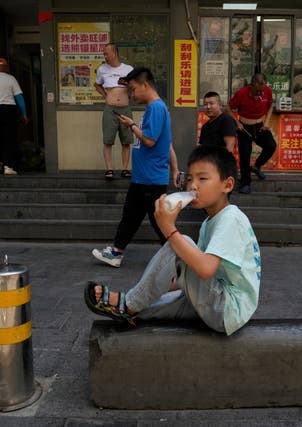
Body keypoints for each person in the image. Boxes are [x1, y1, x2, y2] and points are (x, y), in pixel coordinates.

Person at [84, 145, 262, 336]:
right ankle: (128, 308)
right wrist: (157, 287)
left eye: (202, 178)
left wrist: (169, 229)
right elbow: (190, 269)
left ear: (227, 185)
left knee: (180, 242)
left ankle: (127, 304)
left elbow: (205, 269)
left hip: (226, 308)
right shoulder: (209, 223)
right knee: (153, 305)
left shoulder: (231, 218)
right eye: (189, 179)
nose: (193, 186)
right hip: (217, 303)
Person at [92, 67, 179, 268]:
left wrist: (131, 125)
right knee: (131, 217)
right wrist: (175, 169)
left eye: (132, 89)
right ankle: (116, 252)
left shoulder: (156, 108)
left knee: (159, 223)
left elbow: (149, 140)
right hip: (144, 178)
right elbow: (167, 143)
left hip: (150, 179)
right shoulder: (155, 108)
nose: (131, 94)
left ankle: (179, 255)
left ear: (145, 85)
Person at [228, 72, 276, 193]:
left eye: (262, 91)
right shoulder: (241, 93)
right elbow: (228, 107)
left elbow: (270, 106)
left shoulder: (267, 91)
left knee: (271, 146)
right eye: (257, 91)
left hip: (260, 126)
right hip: (244, 128)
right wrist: (237, 123)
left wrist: (266, 123)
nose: (260, 94)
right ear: (252, 86)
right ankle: (245, 182)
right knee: (245, 155)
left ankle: (256, 166)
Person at [94, 43, 134, 180]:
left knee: (126, 140)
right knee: (108, 140)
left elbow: (135, 87)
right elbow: (97, 84)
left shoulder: (128, 69)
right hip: (110, 108)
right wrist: (105, 96)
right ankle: (109, 169)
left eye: (107, 53)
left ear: (115, 53)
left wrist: (127, 84)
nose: (105, 56)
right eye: (104, 54)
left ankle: (125, 169)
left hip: (125, 107)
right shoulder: (102, 69)